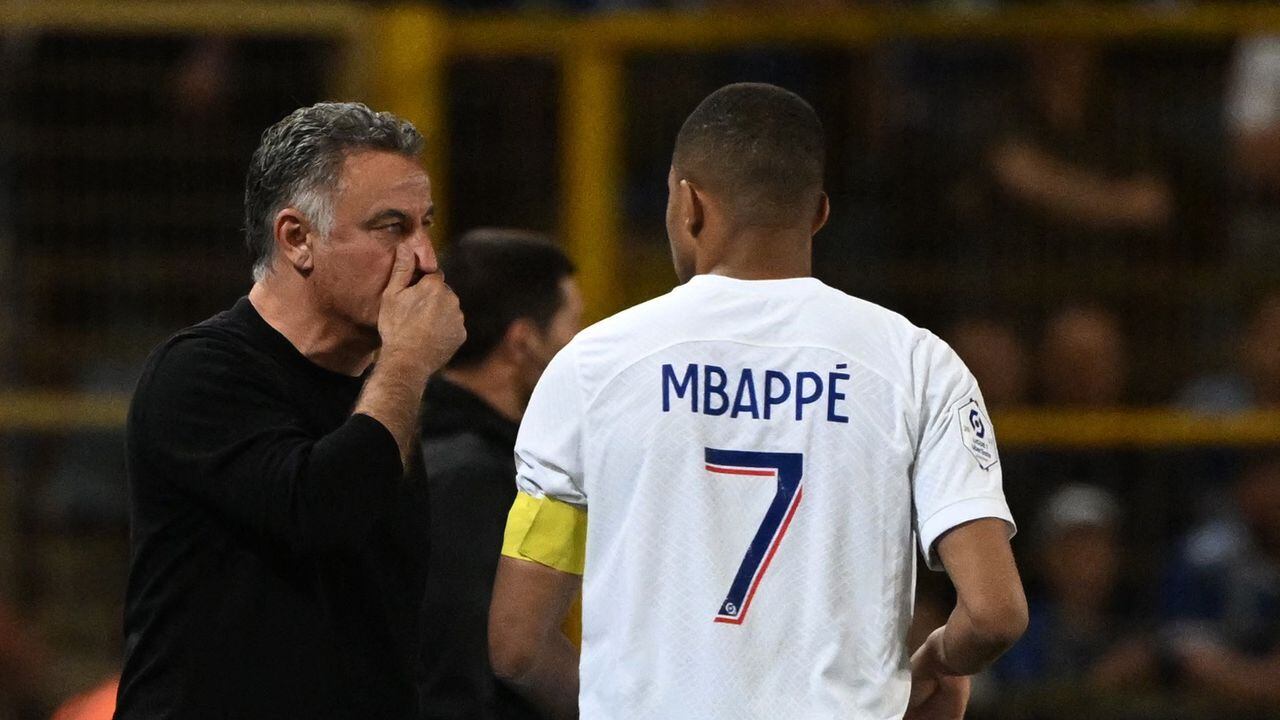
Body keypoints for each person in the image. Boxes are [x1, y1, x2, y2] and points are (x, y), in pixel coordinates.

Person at [488, 83, 1027, 720]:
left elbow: (518, 646)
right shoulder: (917, 364)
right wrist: (939, 659)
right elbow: (995, 614)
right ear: (819, 212)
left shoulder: (591, 365)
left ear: (688, 204)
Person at [114, 102, 465, 719]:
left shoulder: (381, 389)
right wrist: (407, 364)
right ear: (297, 239)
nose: (426, 258)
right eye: (392, 227)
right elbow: (319, 513)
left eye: (425, 224)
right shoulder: (201, 373)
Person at [418, 229, 581, 720]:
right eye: (576, 325)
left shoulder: (410, 444)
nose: (582, 348)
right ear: (523, 342)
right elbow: (462, 673)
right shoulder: (474, 479)